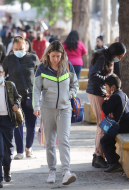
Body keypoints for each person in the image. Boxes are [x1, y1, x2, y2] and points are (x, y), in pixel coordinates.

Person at [33, 40, 78, 185]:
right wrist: (36, 107)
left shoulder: (68, 66)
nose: (56, 59)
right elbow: (36, 89)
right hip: (47, 109)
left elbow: (75, 84)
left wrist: (70, 94)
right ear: (48, 55)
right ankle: (52, 171)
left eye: (58, 56)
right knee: (50, 142)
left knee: (64, 140)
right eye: (53, 56)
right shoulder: (41, 68)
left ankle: (66, 172)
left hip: (65, 109)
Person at [86, 42, 126, 168]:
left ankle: (98, 156)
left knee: (103, 125)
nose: (119, 59)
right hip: (96, 93)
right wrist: (108, 82)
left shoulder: (107, 58)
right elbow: (93, 75)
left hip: (101, 92)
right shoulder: (102, 58)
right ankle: (98, 156)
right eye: (119, 56)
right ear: (114, 52)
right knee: (102, 125)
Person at [3, 36, 40, 159]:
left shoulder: (33, 58)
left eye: (21, 48)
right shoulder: (9, 59)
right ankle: (19, 151)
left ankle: (28, 148)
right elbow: (2, 76)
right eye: (16, 48)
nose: (18, 50)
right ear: (12, 48)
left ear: (26, 47)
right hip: (14, 97)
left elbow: (40, 76)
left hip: (30, 96)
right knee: (17, 124)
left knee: (31, 125)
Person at [100, 74, 129, 172]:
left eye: (106, 86)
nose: (106, 89)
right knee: (109, 138)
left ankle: (114, 163)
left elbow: (106, 110)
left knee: (104, 141)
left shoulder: (115, 97)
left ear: (113, 87)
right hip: (127, 125)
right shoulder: (124, 95)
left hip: (120, 126)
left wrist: (105, 100)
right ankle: (113, 160)